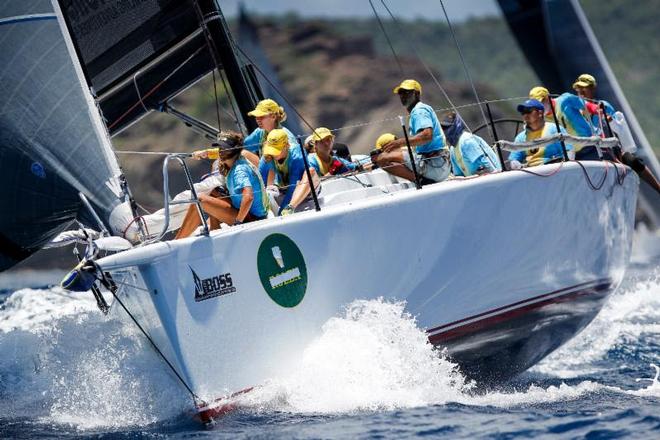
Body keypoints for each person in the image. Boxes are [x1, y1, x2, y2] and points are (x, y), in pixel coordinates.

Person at [572, 74, 660, 194]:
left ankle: (658, 188)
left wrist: (611, 121)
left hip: (609, 151)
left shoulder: (603, 106)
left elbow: (619, 130)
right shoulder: (574, 111)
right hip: (585, 152)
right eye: (578, 89)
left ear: (593, 89)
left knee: (632, 160)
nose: (581, 92)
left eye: (584, 89)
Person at [175, 132, 269, 239]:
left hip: (252, 219)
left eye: (224, 149)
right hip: (244, 211)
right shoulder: (237, 157)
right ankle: (215, 229)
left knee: (199, 200)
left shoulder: (239, 170)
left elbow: (249, 197)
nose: (221, 152)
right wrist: (205, 153)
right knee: (213, 190)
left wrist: (238, 223)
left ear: (234, 150)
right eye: (220, 148)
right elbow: (223, 152)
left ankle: (177, 241)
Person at [373, 79, 450, 184]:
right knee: (394, 154)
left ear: (417, 94)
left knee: (382, 159)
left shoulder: (419, 111)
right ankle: (421, 179)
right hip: (439, 164)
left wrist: (400, 142)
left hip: (435, 165)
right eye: (401, 93)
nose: (403, 96)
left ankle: (421, 181)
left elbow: (427, 136)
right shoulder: (418, 111)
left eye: (407, 92)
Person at [529, 86, 597, 160]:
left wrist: (596, 109)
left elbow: (586, 105)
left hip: (589, 147)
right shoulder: (539, 119)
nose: (539, 107)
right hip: (570, 155)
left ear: (548, 97)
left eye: (541, 102)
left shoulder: (565, 100)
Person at [261, 128, 315, 215]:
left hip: (306, 190)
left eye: (276, 150)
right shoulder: (268, 155)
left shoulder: (297, 155)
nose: (273, 153)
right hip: (284, 190)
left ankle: (290, 208)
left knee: (310, 171)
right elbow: (260, 179)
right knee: (266, 192)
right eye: (272, 149)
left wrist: (282, 212)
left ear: (287, 146)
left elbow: (293, 186)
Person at [509, 99, 573, 168]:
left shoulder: (555, 129)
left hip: (554, 168)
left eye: (528, 111)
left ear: (540, 113)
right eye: (523, 112)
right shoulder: (520, 137)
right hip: (531, 172)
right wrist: (517, 166)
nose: (525, 115)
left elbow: (569, 150)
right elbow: (514, 159)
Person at [440, 112, 501, 177]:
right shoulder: (452, 149)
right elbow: (458, 175)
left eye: (446, 128)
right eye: (443, 128)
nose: (444, 131)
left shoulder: (467, 141)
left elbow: (488, 167)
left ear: (457, 125)